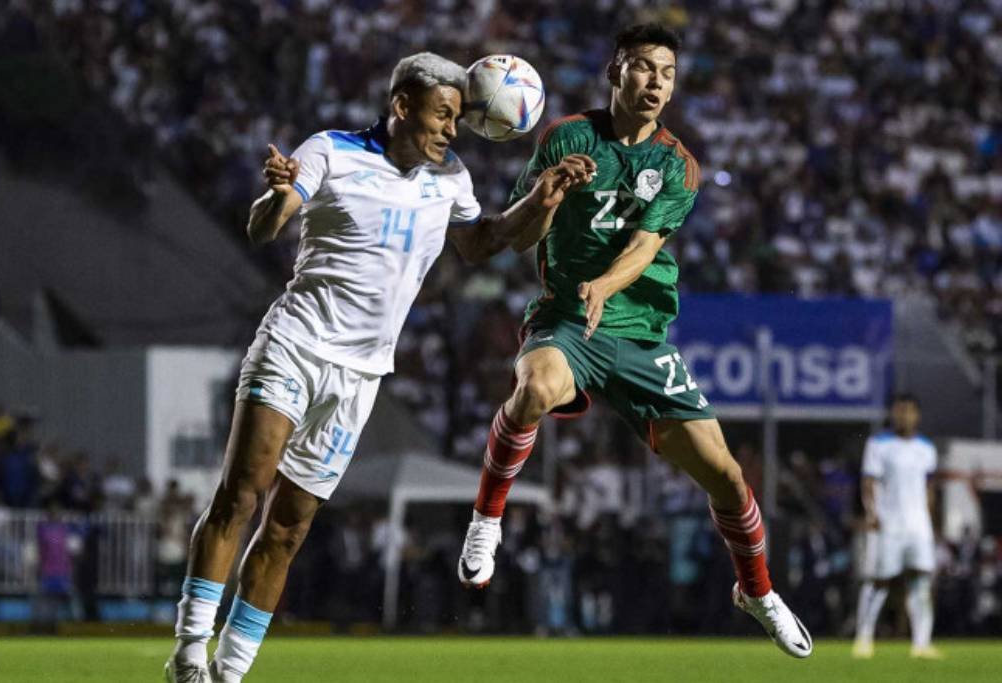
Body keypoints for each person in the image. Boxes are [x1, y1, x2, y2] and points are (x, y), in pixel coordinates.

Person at [165, 52, 596, 683]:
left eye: (458, 118)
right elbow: (264, 226)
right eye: (443, 114)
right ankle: (189, 649)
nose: (453, 129)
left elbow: (484, 242)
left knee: (289, 527)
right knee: (244, 493)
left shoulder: (451, 177)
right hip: (297, 343)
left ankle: (229, 673)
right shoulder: (331, 152)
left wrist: (543, 199)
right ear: (401, 106)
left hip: (362, 376)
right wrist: (280, 196)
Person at [455, 23, 813, 658]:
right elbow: (518, 235)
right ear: (615, 71)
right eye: (644, 68)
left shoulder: (678, 164)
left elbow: (646, 248)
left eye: (667, 74)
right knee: (535, 386)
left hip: (642, 335)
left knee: (727, 478)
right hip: (567, 322)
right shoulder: (565, 136)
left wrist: (604, 283)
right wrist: (548, 193)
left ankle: (757, 592)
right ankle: (487, 521)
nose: (656, 83)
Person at [853, 393, 941, 659]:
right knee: (879, 581)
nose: (904, 415)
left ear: (917, 415)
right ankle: (864, 637)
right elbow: (868, 482)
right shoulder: (879, 444)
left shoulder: (927, 448)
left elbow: (929, 487)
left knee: (921, 581)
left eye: (909, 411)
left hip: (918, 526)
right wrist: (871, 512)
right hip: (888, 523)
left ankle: (922, 643)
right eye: (899, 410)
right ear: (893, 414)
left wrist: (932, 521)